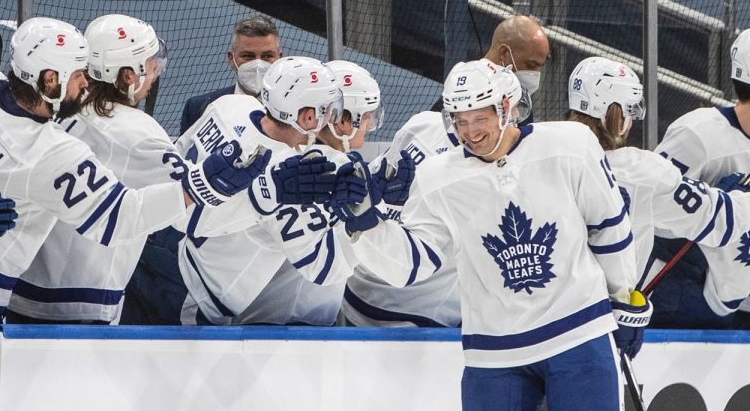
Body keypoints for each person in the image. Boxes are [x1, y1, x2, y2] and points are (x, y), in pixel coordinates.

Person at [333, 59, 644, 410]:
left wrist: (621, 296)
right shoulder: (438, 177)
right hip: (494, 353)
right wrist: (367, 225)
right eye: (460, 121)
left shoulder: (570, 145)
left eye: (480, 118)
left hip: (577, 332)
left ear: (506, 108)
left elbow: (608, 227)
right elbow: (411, 265)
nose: (471, 132)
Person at [0, 17, 278, 324]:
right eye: (78, 74)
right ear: (49, 80)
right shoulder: (73, 147)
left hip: (25, 290)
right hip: (74, 304)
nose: (85, 82)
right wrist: (222, 192)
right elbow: (130, 216)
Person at [121, 57, 400, 325]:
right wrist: (362, 224)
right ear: (306, 116)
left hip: (154, 244)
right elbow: (321, 268)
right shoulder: (292, 177)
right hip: (193, 288)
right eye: (329, 109)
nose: (332, 117)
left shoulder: (231, 104)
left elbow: (176, 161)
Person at [6, 14, 193, 323]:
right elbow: (196, 208)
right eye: (148, 62)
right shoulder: (137, 131)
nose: (155, 69)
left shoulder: (55, 106)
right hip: (82, 303)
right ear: (128, 75)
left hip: (19, 285)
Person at [341, 76, 531, 328]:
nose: (517, 117)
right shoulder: (422, 129)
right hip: (378, 301)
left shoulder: (503, 176)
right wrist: (382, 204)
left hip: (415, 311)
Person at [566, 56, 750, 303]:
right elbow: (721, 221)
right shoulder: (642, 172)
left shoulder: (542, 153)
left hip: (541, 311)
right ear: (621, 116)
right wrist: (738, 198)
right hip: (605, 314)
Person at [229, 59, 395, 326]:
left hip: (264, 317)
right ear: (342, 120)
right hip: (291, 326)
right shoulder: (326, 172)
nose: (369, 125)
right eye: (367, 117)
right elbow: (325, 265)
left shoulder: (292, 160)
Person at [647, 28, 750, 329]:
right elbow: (649, 210)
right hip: (681, 299)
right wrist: (715, 209)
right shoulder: (698, 134)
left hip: (738, 301)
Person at [180, 15, 282, 134]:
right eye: (248, 56)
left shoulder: (297, 114)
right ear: (231, 58)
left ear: (280, 59)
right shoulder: (199, 107)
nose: (258, 64)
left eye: (267, 56)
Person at [484, 15, 550, 98]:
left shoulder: (512, 95)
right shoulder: (469, 88)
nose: (534, 75)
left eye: (539, 67)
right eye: (531, 65)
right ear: (504, 53)